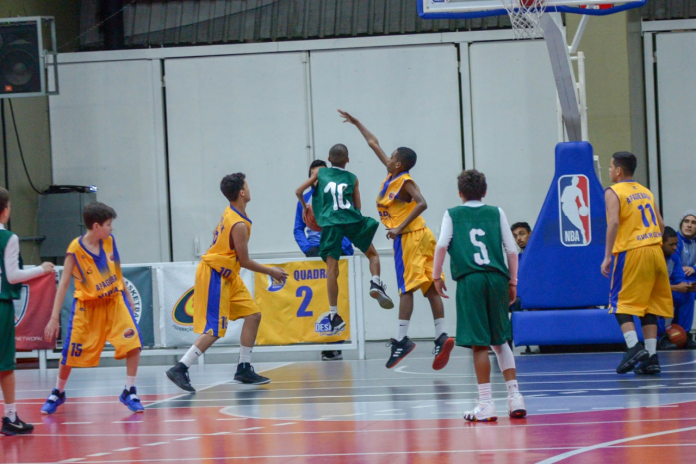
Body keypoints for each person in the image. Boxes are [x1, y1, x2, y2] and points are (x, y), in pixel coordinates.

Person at [338, 110, 452, 370]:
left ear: (398, 164)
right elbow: (373, 143)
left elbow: (422, 203)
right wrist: (357, 123)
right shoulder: (392, 175)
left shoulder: (404, 181)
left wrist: (399, 227)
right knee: (429, 288)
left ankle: (401, 340)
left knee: (406, 289)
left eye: (391, 157)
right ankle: (441, 335)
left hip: (410, 237)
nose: (387, 158)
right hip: (422, 236)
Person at [166, 173, 289, 392]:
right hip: (216, 274)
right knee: (215, 329)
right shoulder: (238, 224)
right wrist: (270, 271)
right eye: (247, 185)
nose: (249, 188)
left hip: (229, 273)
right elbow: (245, 260)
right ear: (241, 192)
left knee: (253, 315)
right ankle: (181, 367)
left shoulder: (233, 212)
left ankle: (243, 368)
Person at [432, 169, 525, 422]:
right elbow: (512, 250)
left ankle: (486, 403)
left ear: (460, 193)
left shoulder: (452, 214)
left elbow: (441, 245)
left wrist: (436, 276)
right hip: (497, 278)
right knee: (501, 340)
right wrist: (513, 281)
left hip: (470, 279)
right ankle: (515, 397)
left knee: (480, 343)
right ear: (484, 192)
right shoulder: (497, 212)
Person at [42, 202, 144, 414]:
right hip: (88, 307)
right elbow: (63, 284)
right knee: (70, 353)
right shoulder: (75, 250)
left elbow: (116, 271)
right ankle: (58, 392)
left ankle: (130, 391)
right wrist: (53, 317)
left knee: (134, 344)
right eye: (108, 224)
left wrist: (127, 295)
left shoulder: (109, 241)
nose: (111, 228)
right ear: (96, 226)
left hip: (114, 302)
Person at [295, 143, 393, 338]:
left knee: (332, 269)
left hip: (331, 224)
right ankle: (375, 282)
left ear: (328, 160)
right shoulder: (353, 178)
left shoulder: (320, 173)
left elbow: (299, 191)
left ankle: (334, 315)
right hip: (351, 220)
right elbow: (358, 207)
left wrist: (305, 207)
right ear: (348, 160)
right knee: (372, 254)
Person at [601, 151, 673, 375]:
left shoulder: (613, 191)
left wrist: (607, 256)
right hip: (655, 251)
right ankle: (651, 357)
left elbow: (613, 223)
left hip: (632, 251)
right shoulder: (645, 191)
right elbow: (661, 224)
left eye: (610, 166)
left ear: (618, 170)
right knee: (648, 305)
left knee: (618, 302)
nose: (609, 170)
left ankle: (633, 347)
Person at [0, 188, 55, 435]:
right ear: (4, 210)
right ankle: (11, 417)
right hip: (1, 305)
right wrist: (41, 269)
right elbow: (12, 276)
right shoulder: (7, 238)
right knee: (5, 365)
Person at [294, 159, 353, 361]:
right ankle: (324, 341)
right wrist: (307, 248)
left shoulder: (339, 196)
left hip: (338, 252)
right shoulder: (305, 200)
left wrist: (344, 247)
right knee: (320, 299)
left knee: (340, 299)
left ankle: (336, 343)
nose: (317, 178)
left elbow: (349, 223)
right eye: (313, 175)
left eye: (321, 174)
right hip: (316, 252)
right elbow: (298, 228)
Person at [656, 226, 696, 352]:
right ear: (661, 243)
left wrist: (688, 285)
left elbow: (679, 278)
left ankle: (684, 333)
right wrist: (675, 287)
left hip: (667, 291)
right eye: (671, 244)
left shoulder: (674, 257)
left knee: (688, 295)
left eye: (676, 244)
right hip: (651, 294)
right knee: (658, 298)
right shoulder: (653, 257)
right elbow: (650, 286)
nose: (674, 247)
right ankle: (660, 337)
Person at [676, 210, 696, 343]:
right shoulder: (674, 241)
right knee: (689, 290)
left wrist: (694, 269)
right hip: (675, 280)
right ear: (681, 224)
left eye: (693, 223)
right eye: (686, 221)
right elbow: (674, 269)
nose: (689, 225)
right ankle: (684, 333)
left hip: (692, 278)